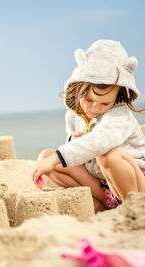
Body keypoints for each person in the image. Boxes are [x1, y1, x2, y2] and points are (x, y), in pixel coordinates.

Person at [31, 40, 145, 212]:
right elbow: (76, 152)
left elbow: (100, 141)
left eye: (104, 103)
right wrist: (72, 141)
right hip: (103, 184)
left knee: (108, 155)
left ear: (118, 95)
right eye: (89, 99)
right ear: (78, 88)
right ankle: (106, 204)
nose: (94, 108)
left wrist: (57, 157)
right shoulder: (74, 114)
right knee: (46, 157)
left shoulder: (119, 115)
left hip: (135, 182)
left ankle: (134, 208)